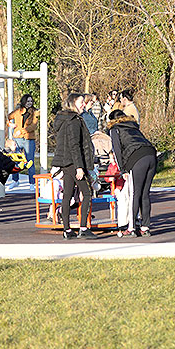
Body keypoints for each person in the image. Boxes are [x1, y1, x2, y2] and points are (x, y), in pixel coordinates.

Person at [52, 93, 97, 240]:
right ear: (73, 103)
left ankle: (67, 229)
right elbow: (75, 145)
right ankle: (83, 228)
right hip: (73, 163)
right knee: (87, 193)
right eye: (81, 102)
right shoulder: (74, 120)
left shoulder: (64, 119)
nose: (84, 104)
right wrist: (79, 167)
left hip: (65, 162)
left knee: (67, 195)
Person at [109, 108, 158, 236]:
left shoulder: (115, 129)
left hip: (136, 158)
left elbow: (117, 150)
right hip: (151, 154)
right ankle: (145, 227)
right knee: (145, 193)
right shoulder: (133, 126)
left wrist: (122, 170)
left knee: (134, 194)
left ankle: (131, 227)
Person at [7, 94, 39, 185]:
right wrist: (10, 124)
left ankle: (32, 183)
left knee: (30, 161)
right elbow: (8, 118)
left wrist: (21, 131)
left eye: (31, 101)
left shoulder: (35, 112)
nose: (30, 103)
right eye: (28, 101)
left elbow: (33, 126)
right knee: (16, 160)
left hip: (29, 139)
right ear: (23, 101)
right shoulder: (17, 112)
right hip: (18, 139)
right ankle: (15, 180)